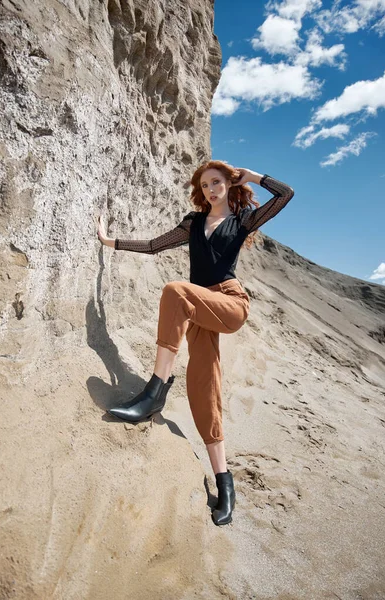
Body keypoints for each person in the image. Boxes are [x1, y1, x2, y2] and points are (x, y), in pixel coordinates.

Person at [97, 160, 294, 526]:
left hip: (230, 303)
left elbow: (285, 195)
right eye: (205, 186)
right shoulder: (193, 223)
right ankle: (225, 482)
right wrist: (112, 242)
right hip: (198, 304)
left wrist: (251, 177)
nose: (210, 190)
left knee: (175, 291)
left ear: (228, 185)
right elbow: (156, 245)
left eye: (216, 183)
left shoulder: (243, 221)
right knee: (205, 390)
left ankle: (154, 392)